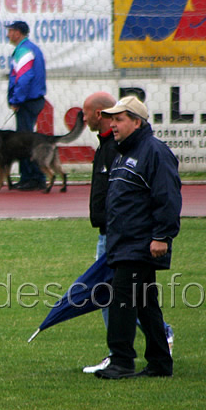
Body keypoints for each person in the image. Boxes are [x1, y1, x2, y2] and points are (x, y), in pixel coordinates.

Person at [81, 92, 175, 375]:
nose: (115, 125)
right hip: (124, 242)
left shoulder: (154, 152)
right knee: (146, 306)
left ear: (136, 122)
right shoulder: (125, 151)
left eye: (119, 119)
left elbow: (167, 198)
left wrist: (162, 236)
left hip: (139, 243)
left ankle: (121, 361)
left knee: (121, 301)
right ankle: (160, 363)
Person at [5, 20, 47, 191]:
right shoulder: (30, 48)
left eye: (10, 31)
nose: (8, 34)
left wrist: (16, 100)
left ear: (17, 33)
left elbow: (24, 78)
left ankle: (33, 178)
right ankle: (33, 177)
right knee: (27, 140)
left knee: (24, 142)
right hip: (32, 100)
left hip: (27, 101)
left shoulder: (23, 50)